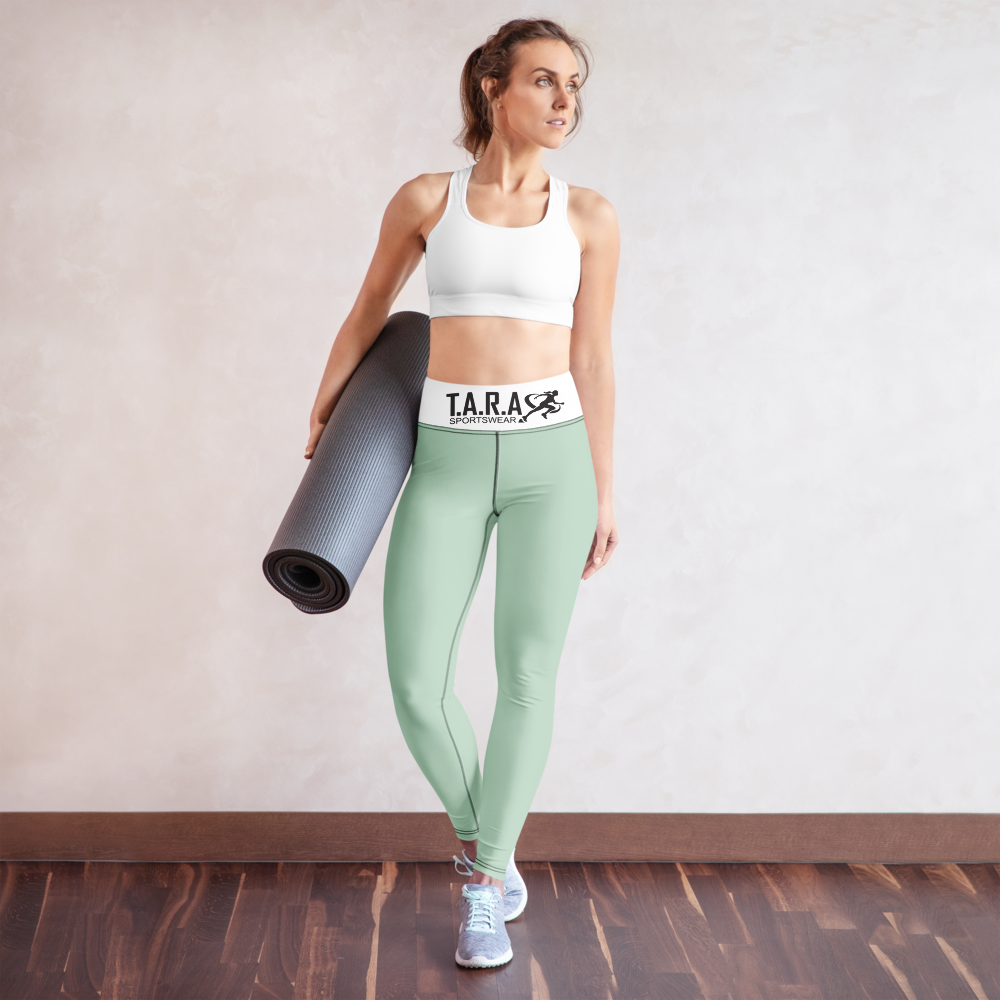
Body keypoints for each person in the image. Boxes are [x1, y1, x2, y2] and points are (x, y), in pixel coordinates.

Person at [304, 17, 619, 968]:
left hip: (550, 462)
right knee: (416, 680)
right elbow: (369, 309)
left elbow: (594, 356)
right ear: (493, 87)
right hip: (443, 454)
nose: (566, 101)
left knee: (525, 675)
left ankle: (484, 880)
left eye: (576, 85)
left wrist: (604, 490)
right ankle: (494, 841)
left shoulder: (590, 216)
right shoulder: (426, 200)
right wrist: (324, 415)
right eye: (546, 81)